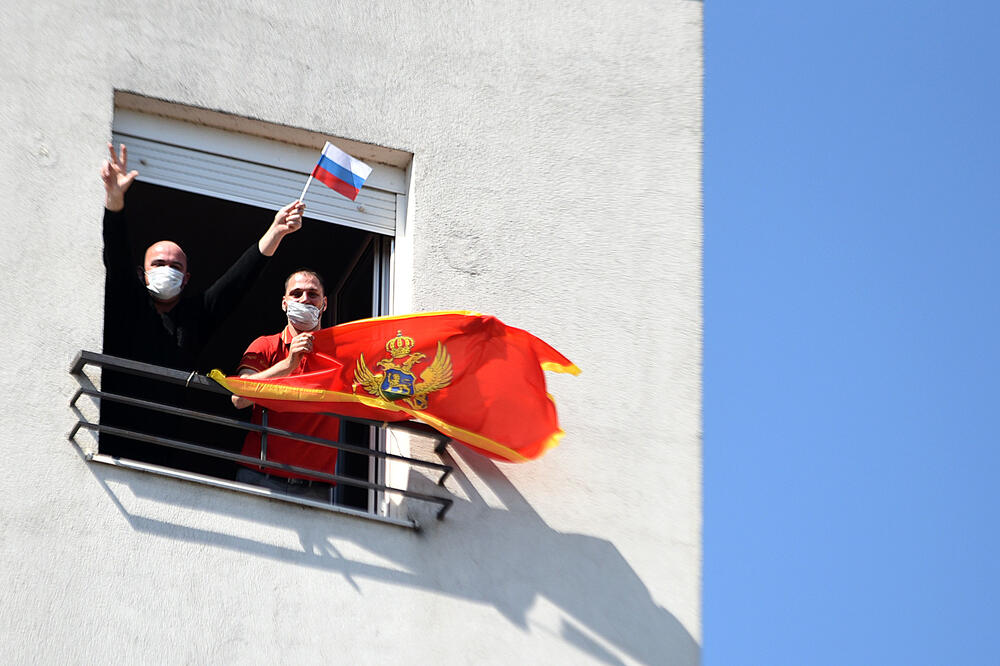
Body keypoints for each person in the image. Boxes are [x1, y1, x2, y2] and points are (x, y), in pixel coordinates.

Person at [99, 142, 305, 472]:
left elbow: (239, 280)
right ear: (143, 272)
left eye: (176, 266)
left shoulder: (195, 316)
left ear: (187, 278)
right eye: (160, 263)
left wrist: (276, 230)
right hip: (111, 436)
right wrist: (115, 202)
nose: (168, 269)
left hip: (165, 445)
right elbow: (117, 255)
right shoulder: (130, 302)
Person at [231, 270, 342, 500]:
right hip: (260, 477)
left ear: (324, 303)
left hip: (315, 487)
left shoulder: (342, 353)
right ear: (284, 303)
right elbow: (239, 399)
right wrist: (288, 364)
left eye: (313, 294)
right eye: (296, 293)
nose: (304, 299)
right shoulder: (266, 345)